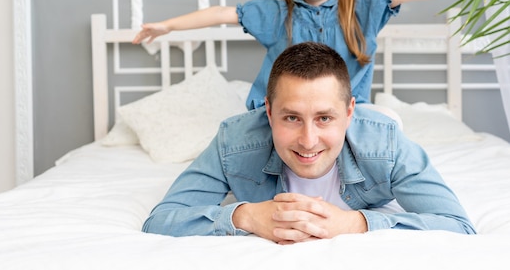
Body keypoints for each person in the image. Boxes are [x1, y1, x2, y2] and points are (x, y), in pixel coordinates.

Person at [142, 42, 476, 243]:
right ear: (268, 112)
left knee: (379, 119)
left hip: (369, 128)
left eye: (324, 118)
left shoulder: (385, 143)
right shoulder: (235, 140)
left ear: (348, 113)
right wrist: (244, 216)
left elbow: (458, 225)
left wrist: (356, 223)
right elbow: (161, 220)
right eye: (291, 118)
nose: (308, 140)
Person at [132, 0, 482, 110]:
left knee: (386, 126)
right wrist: (168, 26)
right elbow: (220, 14)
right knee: (244, 141)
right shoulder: (277, 15)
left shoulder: (361, 7)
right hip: (284, 115)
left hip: (345, 115)